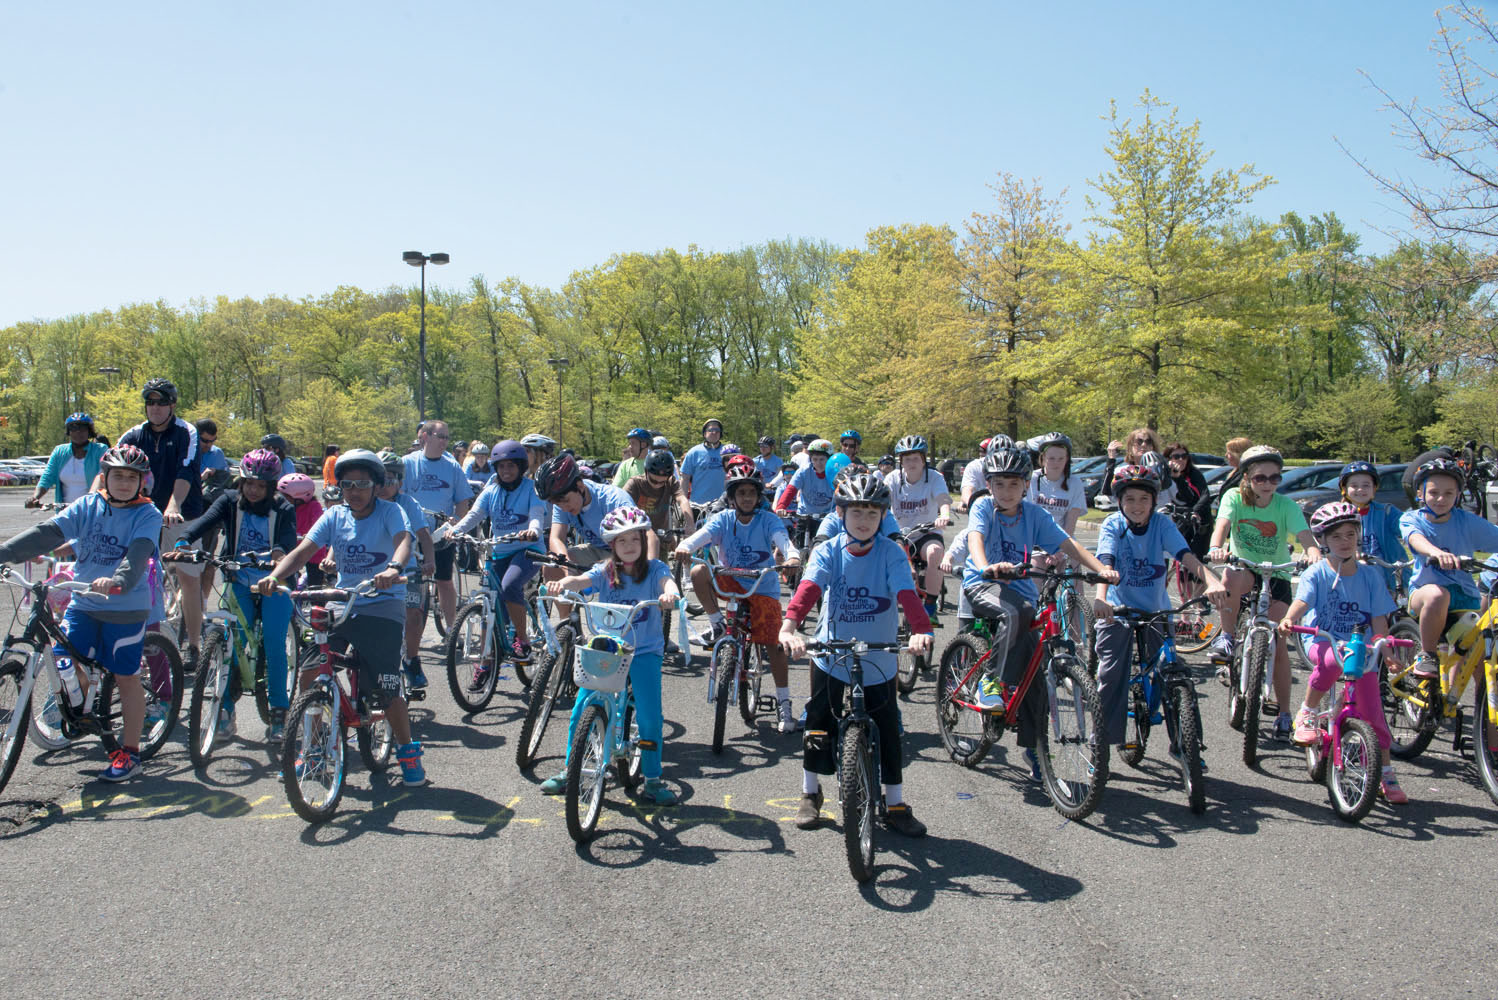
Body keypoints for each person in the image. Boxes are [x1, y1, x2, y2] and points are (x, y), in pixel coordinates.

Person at [253, 448, 427, 787]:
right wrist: (275, 577)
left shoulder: (391, 512)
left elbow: (403, 541)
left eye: (362, 484)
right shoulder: (335, 515)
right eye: (347, 485)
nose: (354, 491)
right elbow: (302, 552)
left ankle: (408, 752)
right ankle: (314, 749)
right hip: (343, 601)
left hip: (381, 603)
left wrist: (394, 568)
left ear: (376, 485)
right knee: (310, 670)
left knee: (387, 685)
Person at [779, 472, 933, 836]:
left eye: (872, 514)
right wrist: (789, 627)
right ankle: (810, 792)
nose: (864, 521)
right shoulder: (829, 550)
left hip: (879, 654)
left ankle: (895, 802)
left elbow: (906, 594)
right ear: (841, 514)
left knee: (889, 727)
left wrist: (921, 630)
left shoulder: (890, 552)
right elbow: (809, 589)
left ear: (883, 516)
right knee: (819, 722)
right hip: (831, 650)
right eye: (856, 513)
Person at [0, 445, 163, 781]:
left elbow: (138, 555)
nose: (123, 482)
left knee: (126, 677)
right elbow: (48, 532)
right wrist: (5, 552)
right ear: (105, 477)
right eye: (117, 475)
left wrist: (118, 581)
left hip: (125, 606)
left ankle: (130, 753)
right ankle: (84, 708)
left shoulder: (148, 514)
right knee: (63, 659)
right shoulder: (89, 505)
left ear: (141, 482)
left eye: (131, 477)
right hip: (84, 602)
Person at [963, 447, 1119, 779]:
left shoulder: (1034, 514)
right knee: (1018, 612)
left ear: (1026, 485)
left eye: (1014, 484)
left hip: (1020, 592)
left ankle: (1034, 746)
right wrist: (985, 565)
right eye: (999, 484)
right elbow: (975, 538)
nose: (1006, 492)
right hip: (983, 584)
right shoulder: (983, 507)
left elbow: (1069, 544)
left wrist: (1101, 569)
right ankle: (991, 681)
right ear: (989, 485)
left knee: (1036, 670)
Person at [541, 506, 682, 805]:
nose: (629, 546)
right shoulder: (606, 570)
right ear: (612, 545)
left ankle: (653, 779)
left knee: (649, 716)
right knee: (582, 706)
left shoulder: (655, 569)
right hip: (608, 648)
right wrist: (561, 584)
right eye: (621, 541)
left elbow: (667, 582)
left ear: (643, 541)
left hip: (644, 650)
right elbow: (580, 581)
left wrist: (670, 594)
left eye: (635, 539)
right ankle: (570, 769)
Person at [1093, 464, 1225, 760]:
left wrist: (1212, 581)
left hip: (1156, 611)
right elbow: (1105, 563)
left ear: (1154, 501)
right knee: (1112, 673)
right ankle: (1100, 744)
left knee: (1173, 672)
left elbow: (1186, 557)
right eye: (1130, 499)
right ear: (1119, 501)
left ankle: (1185, 745)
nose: (1137, 506)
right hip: (1117, 610)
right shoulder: (1113, 524)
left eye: (1144, 499)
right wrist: (1101, 599)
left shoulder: (1162, 525)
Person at [1278, 501, 1407, 803]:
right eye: (1336, 536)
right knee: (1331, 661)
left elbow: (1379, 619)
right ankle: (1308, 711)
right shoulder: (1317, 573)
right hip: (1323, 640)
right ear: (1323, 540)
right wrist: (1289, 619)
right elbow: (1303, 601)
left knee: (1374, 715)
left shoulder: (1370, 576)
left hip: (1360, 648)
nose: (1345, 541)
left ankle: (1386, 772)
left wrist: (1385, 648)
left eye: (1350, 534)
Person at [166, 448, 298, 740]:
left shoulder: (283, 508)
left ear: (271, 487)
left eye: (260, 485)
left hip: (275, 582)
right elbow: (207, 520)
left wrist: (278, 556)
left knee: (274, 644)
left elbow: (287, 540)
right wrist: (185, 539)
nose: (253, 490)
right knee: (229, 643)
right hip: (238, 578)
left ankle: (279, 711)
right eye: (248, 483)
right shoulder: (229, 500)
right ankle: (225, 710)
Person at [1207, 445, 1321, 741]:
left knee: (1279, 643)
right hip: (1245, 568)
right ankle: (1227, 637)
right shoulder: (1234, 498)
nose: (1268, 483)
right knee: (1231, 576)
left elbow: (1306, 537)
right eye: (1260, 478)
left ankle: (1285, 713)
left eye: (1274, 478)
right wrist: (1216, 547)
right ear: (1246, 477)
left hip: (1277, 574)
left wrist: (1313, 551)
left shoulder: (1286, 506)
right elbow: (1222, 525)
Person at [674, 465, 802, 729]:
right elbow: (701, 537)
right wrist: (685, 546)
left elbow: (784, 541)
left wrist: (792, 557)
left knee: (774, 644)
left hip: (761, 585)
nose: (746, 498)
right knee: (698, 571)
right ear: (732, 496)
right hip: (730, 580)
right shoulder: (723, 519)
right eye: (741, 493)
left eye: (751, 493)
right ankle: (717, 625)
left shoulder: (768, 520)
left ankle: (784, 703)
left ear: (758, 496)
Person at [119, 378, 206, 672]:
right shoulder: (134, 435)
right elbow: (111, 467)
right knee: (136, 577)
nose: (155, 408)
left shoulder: (186, 432)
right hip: (144, 515)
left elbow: (186, 471)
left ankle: (194, 645)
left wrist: (173, 505)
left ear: (172, 405)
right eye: (150, 402)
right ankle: (141, 643)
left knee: (188, 578)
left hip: (182, 514)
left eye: (162, 402)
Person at [450, 440, 546, 680]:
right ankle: (485, 662)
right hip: (499, 551)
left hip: (528, 550)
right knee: (489, 607)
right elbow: (475, 514)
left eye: (511, 466)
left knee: (509, 585)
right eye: (501, 466)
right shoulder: (491, 490)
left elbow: (536, 514)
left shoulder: (531, 489)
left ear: (521, 467)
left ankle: (522, 640)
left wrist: (533, 530)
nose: (506, 471)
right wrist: (456, 531)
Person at [1399, 457, 1498, 685]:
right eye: (1434, 493)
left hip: (1464, 598)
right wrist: (1435, 552)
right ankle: (1427, 654)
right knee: (1438, 594)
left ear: (1458, 495)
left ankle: (1481, 706)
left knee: (1480, 655)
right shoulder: (1411, 518)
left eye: (1449, 493)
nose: (1441, 499)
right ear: (1420, 494)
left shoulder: (1467, 521)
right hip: (1424, 594)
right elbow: (1415, 539)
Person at [401, 419, 474, 641]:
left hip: (441, 533)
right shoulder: (407, 463)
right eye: (440, 437)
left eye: (447, 438)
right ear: (425, 437)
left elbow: (463, 501)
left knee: (444, 580)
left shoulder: (452, 467)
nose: (444, 442)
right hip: (412, 534)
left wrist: (456, 522)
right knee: (407, 581)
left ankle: (452, 629)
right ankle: (404, 630)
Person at [373, 449, 437, 689]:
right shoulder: (366, 504)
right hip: (373, 571)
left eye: (390, 480)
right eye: (379, 480)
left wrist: (429, 561)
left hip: (406, 572)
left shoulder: (408, 503)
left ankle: (411, 660)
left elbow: (424, 536)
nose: (383, 486)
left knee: (413, 614)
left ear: (400, 482)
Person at [884, 435, 952, 618]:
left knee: (935, 553)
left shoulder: (935, 478)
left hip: (926, 533)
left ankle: (930, 606)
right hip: (899, 534)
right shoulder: (892, 478)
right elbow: (882, 500)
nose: (911, 463)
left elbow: (943, 499)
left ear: (923, 460)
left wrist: (944, 515)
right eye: (907, 459)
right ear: (901, 461)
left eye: (915, 458)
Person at [1336, 460, 1409, 595]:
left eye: (1366, 485)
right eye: (1354, 485)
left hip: (1391, 577)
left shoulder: (1387, 512)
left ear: (1374, 488)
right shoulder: (1337, 515)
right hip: (1353, 578)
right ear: (1344, 488)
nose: (1360, 489)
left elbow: (1408, 527)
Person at [30, 412, 109, 507]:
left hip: (92, 509)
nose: (78, 432)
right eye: (73, 428)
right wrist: (35, 497)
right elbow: (47, 477)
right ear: (69, 431)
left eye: (83, 428)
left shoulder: (100, 450)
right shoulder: (59, 451)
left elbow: (101, 476)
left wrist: (91, 499)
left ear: (89, 431)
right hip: (65, 510)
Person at [775, 438, 836, 548]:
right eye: (815, 459)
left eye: (822, 459)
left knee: (824, 548)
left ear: (829, 459)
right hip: (805, 516)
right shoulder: (804, 471)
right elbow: (790, 490)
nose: (818, 463)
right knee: (799, 547)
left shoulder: (835, 473)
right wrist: (781, 506)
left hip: (827, 518)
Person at [624, 448, 695, 536]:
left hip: (663, 534)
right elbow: (622, 507)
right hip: (639, 535)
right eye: (653, 481)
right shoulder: (634, 484)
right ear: (646, 471)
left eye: (662, 482)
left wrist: (690, 524)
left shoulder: (671, 481)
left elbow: (682, 499)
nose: (657, 485)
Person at [276, 472, 327, 587]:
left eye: (285, 496)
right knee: (287, 578)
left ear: (299, 498)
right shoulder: (283, 507)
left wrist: (309, 535)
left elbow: (319, 523)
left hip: (313, 549)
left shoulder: (314, 506)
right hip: (292, 548)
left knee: (315, 584)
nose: (281, 499)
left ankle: (317, 595)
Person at [1191, 436, 1251, 530]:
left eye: (1229, 453)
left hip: (1241, 522)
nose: (1226, 455)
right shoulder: (1235, 472)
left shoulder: (1247, 475)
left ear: (1238, 454)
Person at [1099, 427, 1162, 499]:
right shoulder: (1122, 471)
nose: (1144, 445)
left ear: (1152, 447)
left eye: (1148, 442)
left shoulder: (1159, 469)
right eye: (1139, 441)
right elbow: (1107, 492)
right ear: (1130, 447)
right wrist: (1111, 460)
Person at [959, 434, 1012, 511]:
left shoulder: (1013, 468)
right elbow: (966, 491)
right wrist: (970, 503)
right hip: (980, 508)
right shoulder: (974, 466)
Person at [680, 418, 726, 507]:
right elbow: (685, 479)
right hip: (698, 505)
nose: (714, 432)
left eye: (717, 430)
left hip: (722, 505)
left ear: (720, 434)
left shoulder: (727, 452)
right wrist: (683, 503)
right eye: (710, 430)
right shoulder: (694, 452)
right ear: (704, 433)